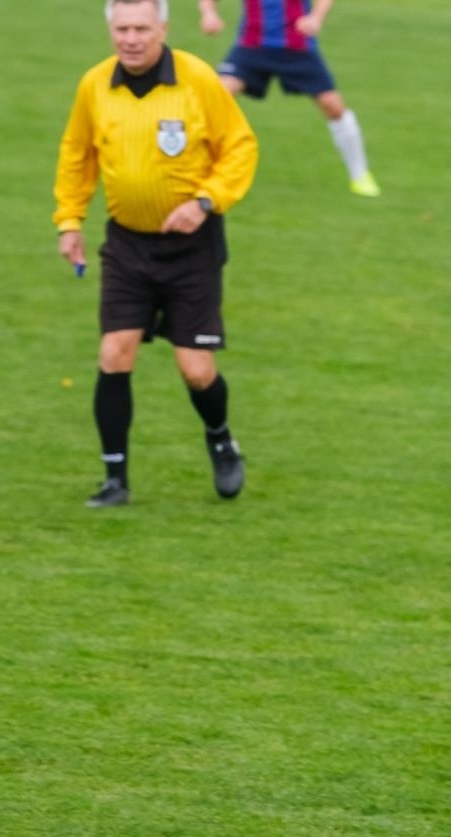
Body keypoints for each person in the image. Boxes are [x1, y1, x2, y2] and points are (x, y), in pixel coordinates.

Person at [54, 0, 258, 507]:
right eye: (122, 28)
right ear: (111, 31)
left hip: (193, 247)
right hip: (127, 245)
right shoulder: (95, 85)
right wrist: (69, 220)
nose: (131, 38)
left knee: (195, 368)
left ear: (163, 28)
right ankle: (115, 481)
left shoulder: (198, 80)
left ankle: (221, 438)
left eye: (142, 27)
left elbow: (240, 146)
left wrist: (206, 202)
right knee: (114, 353)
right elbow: (77, 155)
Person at [200, 0, 380, 197]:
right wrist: (209, 13)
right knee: (216, 98)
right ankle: (197, 168)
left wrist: (316, 18)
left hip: (297, 45)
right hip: (252, 44)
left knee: (333, 106)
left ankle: (360, 175)